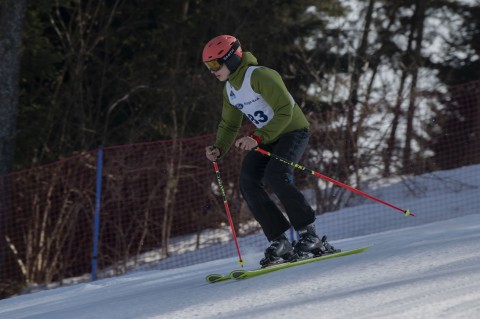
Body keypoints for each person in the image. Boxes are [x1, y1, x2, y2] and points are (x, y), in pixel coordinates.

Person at [203, 35, 338, 266]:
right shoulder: (230, 89)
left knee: (277, 175)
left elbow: (285, 111)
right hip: (266, 137)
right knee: (248, 180)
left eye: (216, 64)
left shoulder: (260, 75)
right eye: (208, 66)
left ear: (232, 59)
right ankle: (280, 241)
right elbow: (229, 125)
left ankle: (310, 236)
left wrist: (257, 137)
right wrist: (219, 149)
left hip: (292, 131)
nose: (212, 70)